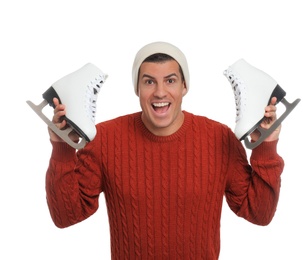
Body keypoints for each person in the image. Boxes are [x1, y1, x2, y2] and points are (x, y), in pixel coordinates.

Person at [45, 41, 284, 259]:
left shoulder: (219, 138)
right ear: (137, 89)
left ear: (184, 86)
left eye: (170, 80)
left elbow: (259, 213)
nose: (160, 92)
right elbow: (66, 216)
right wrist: (62, 147)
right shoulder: (105, 139)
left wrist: (266, 145)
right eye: (149, 81)